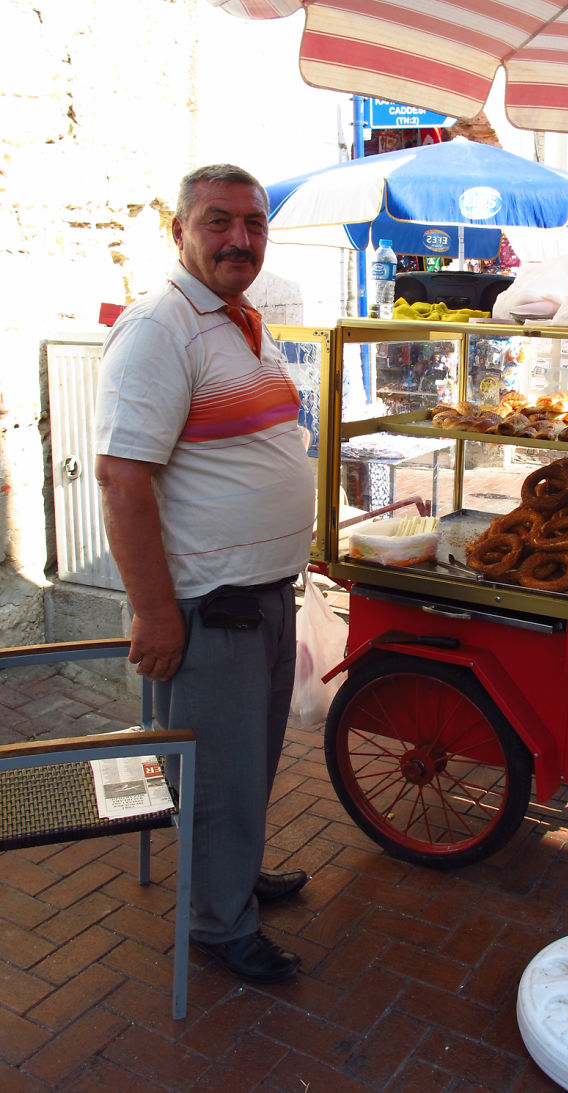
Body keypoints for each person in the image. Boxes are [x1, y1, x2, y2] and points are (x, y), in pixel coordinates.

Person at [94, 164, 316, 983]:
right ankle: (218, 923)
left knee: (248, 759)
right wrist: (154, 613)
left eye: (254, 223)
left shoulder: (238, 320)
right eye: (218, 221)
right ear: (180, 231)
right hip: (211, 605)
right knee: (219, 772)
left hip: (264, 594)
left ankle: (235, 874)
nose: (239, 239)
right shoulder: (160, 327)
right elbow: (122, 479)